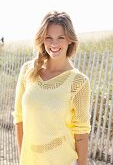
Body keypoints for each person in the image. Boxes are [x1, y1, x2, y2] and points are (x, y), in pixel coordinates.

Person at [12, 10, 91, 165]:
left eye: (60, 37)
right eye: (49, 37)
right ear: (42, 39)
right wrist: (23, 158)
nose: (54, 44)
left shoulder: (78, 82)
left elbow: (81, 133)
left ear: (70, 40)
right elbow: (19, 118)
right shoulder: (28, 71)